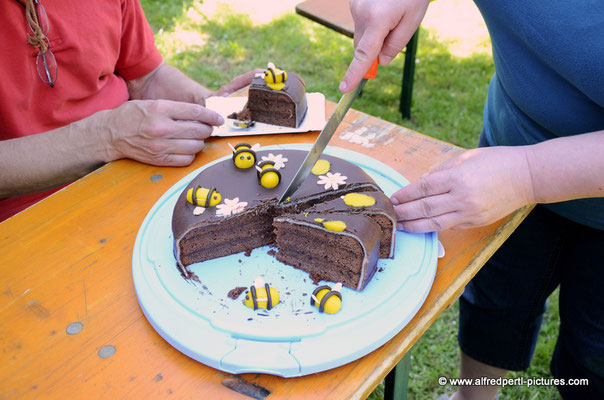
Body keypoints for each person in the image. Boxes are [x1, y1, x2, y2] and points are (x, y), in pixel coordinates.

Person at [340, 0, 604, 399]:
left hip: (522, 175)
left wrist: (530, 174)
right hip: (506, 153)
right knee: (493, 304)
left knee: (594, 355)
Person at [0, 0, 259, 222]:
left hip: (139, 170)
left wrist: (211, 106)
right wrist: (105, 138)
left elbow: (147, 77)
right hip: (24, 219)